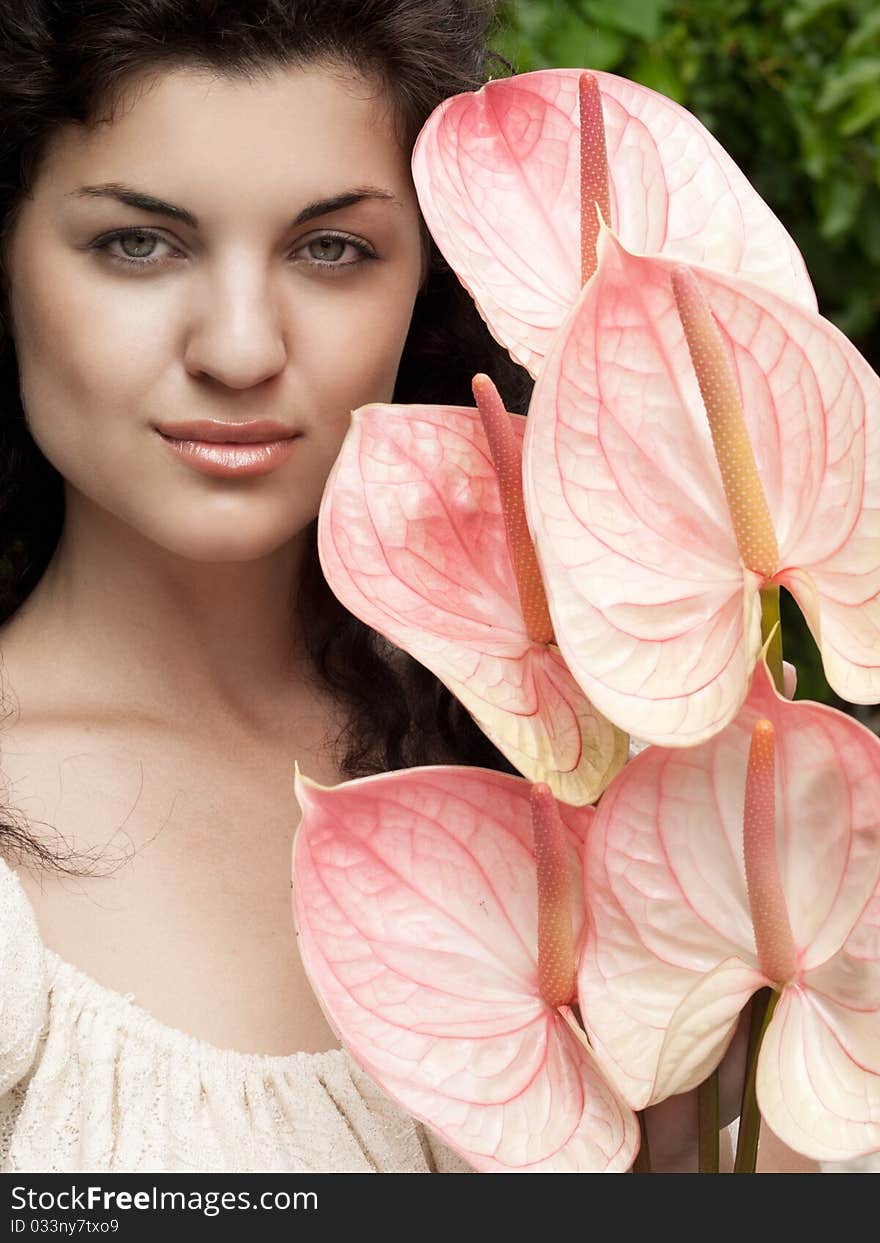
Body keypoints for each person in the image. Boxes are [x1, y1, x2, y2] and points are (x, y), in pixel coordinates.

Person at [0, 0, 814, 1175]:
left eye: (331, 248)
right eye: (139, 242)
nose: (238, 349)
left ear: (426, 281)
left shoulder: (599, 769)